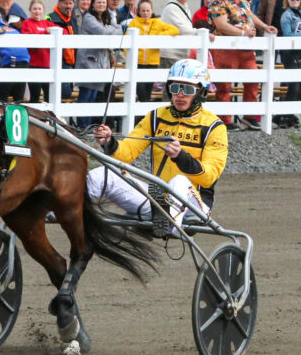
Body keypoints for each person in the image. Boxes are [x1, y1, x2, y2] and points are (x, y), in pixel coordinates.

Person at [89, 58, 226, 237]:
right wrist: (109, 142)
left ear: (201, 92)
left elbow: (209, 177)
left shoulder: (214, 126)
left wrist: (180, 157)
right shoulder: (156, 117)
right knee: (103, 173)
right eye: (175, 88)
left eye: (188, 89)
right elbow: (127, 152)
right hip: (158, 200)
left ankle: (170, 227)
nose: (180, 94)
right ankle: (58, 208)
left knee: (179, 181)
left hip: (195, 206)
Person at [208, 0, 274, 129]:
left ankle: (250, 116)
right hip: (227, 49)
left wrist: (264, 26)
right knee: (225, 85)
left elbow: (250, 15)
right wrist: (243, 33)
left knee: (253, 80)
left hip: (246, 49)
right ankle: (225, 120)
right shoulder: (217, 2)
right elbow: (221, 24)